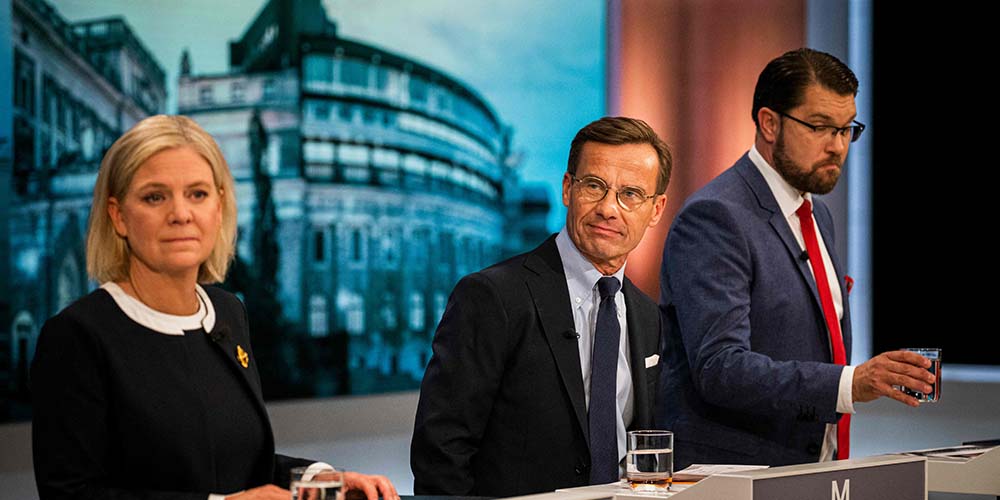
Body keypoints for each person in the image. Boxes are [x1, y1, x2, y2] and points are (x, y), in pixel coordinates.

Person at [31, 115, 399, 500]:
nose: (181, 214)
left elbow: (238, 462)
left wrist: (319, 479)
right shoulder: (77, 336)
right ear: (118, 215)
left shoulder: (227, 312)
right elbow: (71, 494)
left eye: (198, 194)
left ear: (219, 207)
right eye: (155, 197)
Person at [658, 48, 936, 469]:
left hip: (815, 467)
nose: (837, 146)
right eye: (821, 127)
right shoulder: (715, 216)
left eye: (847, 129)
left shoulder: (817, 214)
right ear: (770, 123)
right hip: (739, 476)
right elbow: (720, 368)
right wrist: (849, 383)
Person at [411, 117, 671, 496]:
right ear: (568, 189)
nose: (608, 208)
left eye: (630, 194)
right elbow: (440, 453)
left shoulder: (648, 317)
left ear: (657, 209)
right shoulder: (492, 296)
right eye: (594, 185)